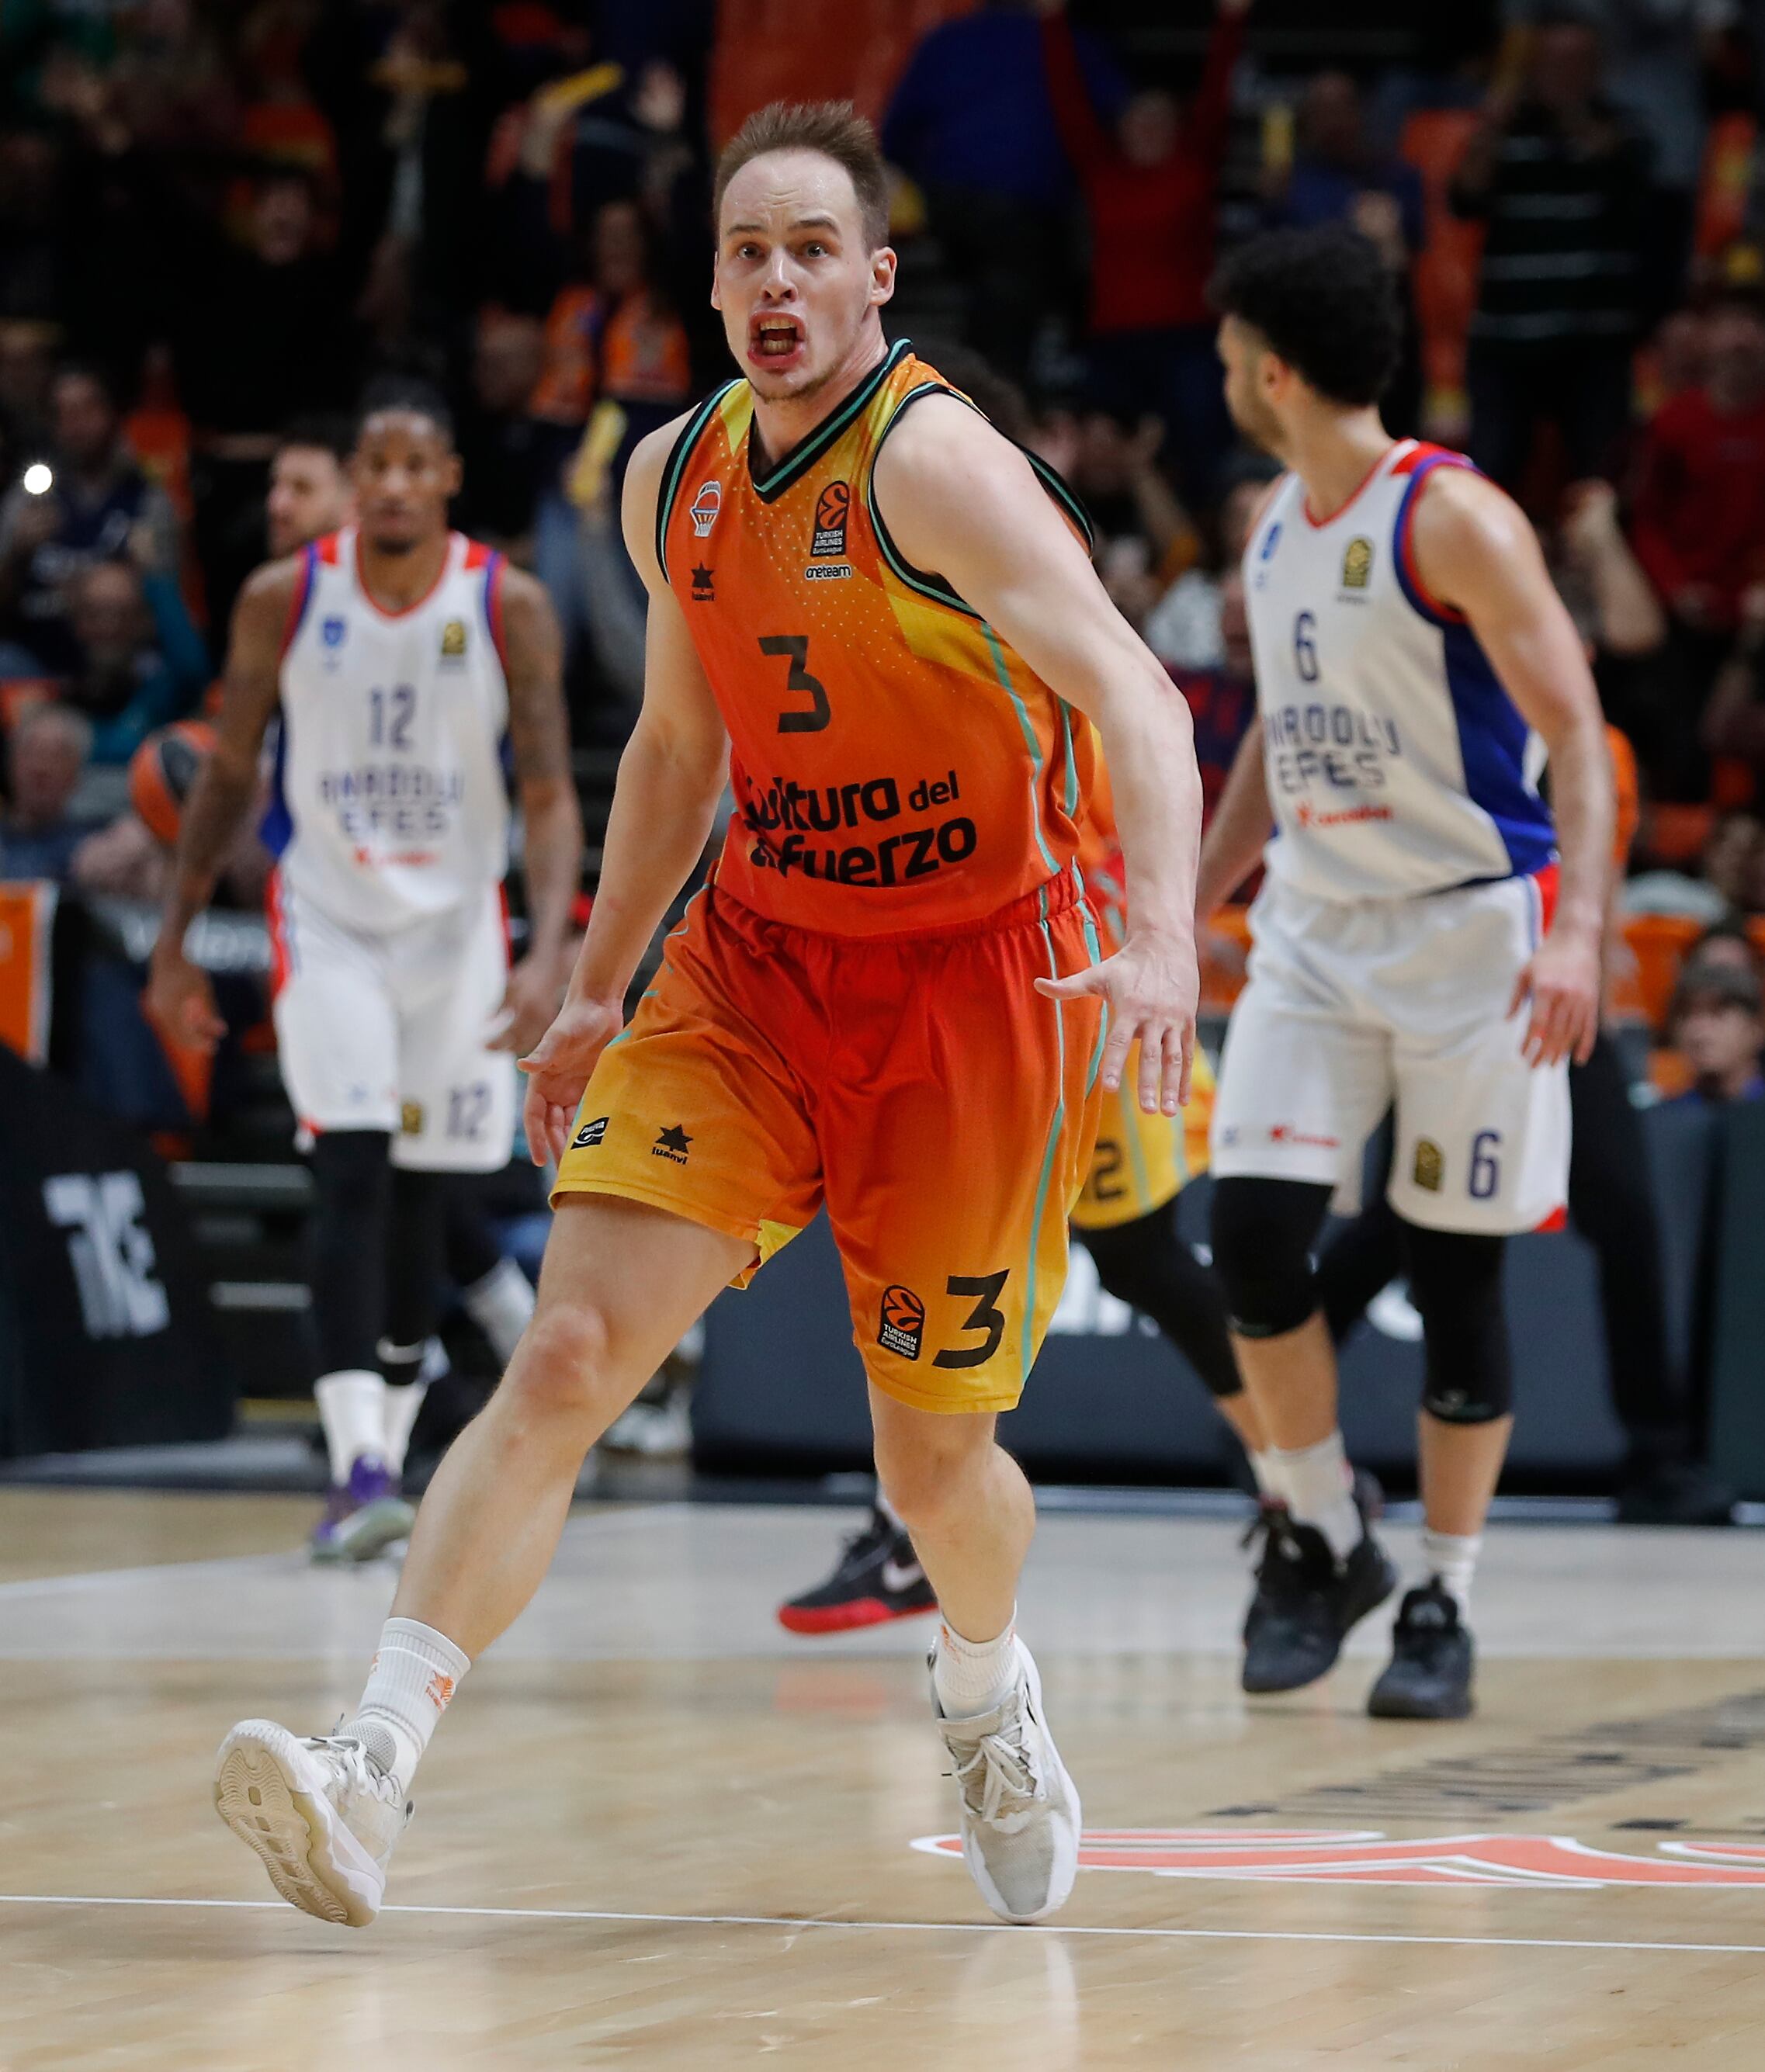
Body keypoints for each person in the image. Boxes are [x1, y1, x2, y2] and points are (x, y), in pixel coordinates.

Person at [209, 98, 1202, 1934]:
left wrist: (1156, 937)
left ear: (873, 279)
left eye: (810, 248)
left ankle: (983, 1691)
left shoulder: (933, 468)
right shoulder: (672, 472)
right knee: (571, 1352)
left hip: (973, 983)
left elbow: (1137, 700)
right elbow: (675, 745)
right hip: (752, 959)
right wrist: (593, 987)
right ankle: (368, 1766)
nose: (773, 280)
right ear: (713, 282)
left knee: (932, 1464)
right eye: (745, 250)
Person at [1200, 223, 1613, 1720]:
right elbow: (1270, 728)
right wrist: (1189, 897)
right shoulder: (1266, 520)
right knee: (1246, 1236)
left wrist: (1574, 933)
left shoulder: (1452, 519)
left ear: (1273, 366)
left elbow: (1574, 735)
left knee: (1453, 1280)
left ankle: (1441, 1592)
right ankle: (1319, 1531)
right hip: (1313, 929)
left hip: (1464, 938)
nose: (1219, 371)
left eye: (1229, 349)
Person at [147, 382, 581, 1564]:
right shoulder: (284, 599)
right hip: (328, 914)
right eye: (373, 463)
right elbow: (230, 773)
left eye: (413, 464)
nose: (392, 483)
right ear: (353, 479)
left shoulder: (511, 604)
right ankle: (360, 1465)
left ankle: (386, 1456)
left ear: (447, 477)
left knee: (421, 1195)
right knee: (349, 1171)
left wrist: (550, 947)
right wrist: (175, 934)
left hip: (457, 931)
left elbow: (547, 792)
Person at [1036, 0, 1251, 504]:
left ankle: (1203, 551)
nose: (1147, 128)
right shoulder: (1102, 173)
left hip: (1188, 336)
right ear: (1121, 128)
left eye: (1159, 120)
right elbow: (1068, 102)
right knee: (1096, 450)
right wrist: (1051, 20)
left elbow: (1216, 95)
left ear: (1177, 128)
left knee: (1202, 448)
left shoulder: (1194, 167)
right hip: (1114, 340)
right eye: (1138, 119)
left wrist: (1231, 20)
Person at [1448, 14, 1652, 490]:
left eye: (1575, 64)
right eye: (1553, 65)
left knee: (1602, 480)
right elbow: (1463, 200)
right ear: (1533, 69)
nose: (1563, 76)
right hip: (1507, 338)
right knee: (1489, 477)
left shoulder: (1622, 128)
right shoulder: (1506, 134)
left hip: (1593, 340)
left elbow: (1627, 182)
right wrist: (1493, 123)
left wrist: (1572, 114)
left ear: (1597, 69)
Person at [0, 701, 99, 878]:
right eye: (31, 751)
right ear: (11, 764)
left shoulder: (91, 847)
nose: (40, 767)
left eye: (56, 755)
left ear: (75, 775)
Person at [1668, 955, 1765, 1107]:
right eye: (1686, 1014)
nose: (1697, 1029)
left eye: (1717, 1013)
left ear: (1756, 1028)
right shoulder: (1664, 1117)